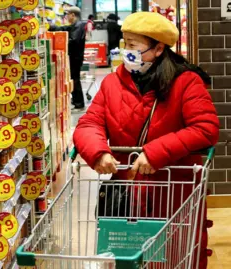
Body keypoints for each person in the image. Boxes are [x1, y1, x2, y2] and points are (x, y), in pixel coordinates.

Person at [73, 12, 219, 268]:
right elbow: (90, 123)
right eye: (124, 43)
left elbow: (206, 128)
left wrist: (155, 153)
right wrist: (99, 152)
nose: (126, 50)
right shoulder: (111, 84)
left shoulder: (185, 82)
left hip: (175, 193)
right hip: (127, 194)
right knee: (130, 259)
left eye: (133, 44)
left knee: (176, 256)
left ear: (159, 47)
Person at [48, 6, 86, 110]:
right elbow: (65, 28)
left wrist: (57, 44)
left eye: (67, 14)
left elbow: (73, 41)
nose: (66, 16)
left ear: (73, 15)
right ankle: (77, 101)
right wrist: (52, 27)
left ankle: (79, 103)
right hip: (74, 57)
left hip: (75, 58)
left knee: (75, 79)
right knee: (74, 78)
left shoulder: (79, 26)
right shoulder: (76, 25)